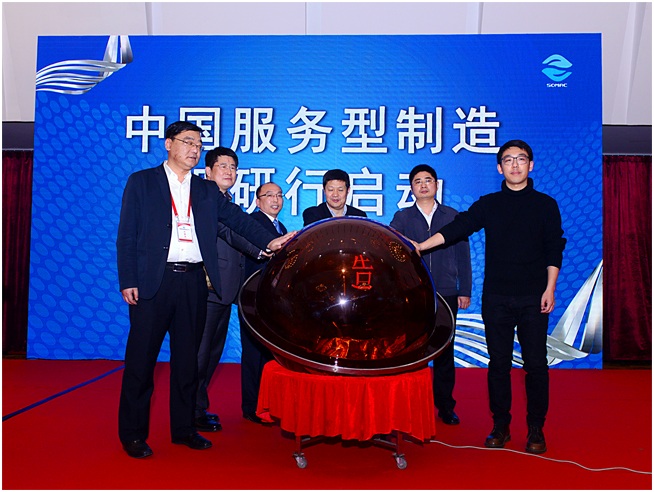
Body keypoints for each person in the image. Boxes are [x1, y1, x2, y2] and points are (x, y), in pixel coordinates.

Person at [116, 121, 292, 459]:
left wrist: (270, 241)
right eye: (188, 142)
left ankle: (184, 429)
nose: (194, 149)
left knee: (188, 362)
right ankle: (133, 434)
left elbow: (238, 221)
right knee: (141, 362)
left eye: (198, 144)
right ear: (169, 144)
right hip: (154, 282)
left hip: (194, 281)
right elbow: (127, 234)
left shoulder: (206, 190)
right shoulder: (142, 182)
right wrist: (128, 279)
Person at [415, 140, 566, 454]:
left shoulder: (545, 205)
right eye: (508, 160)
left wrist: (550, 288)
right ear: (499, 168)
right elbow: (459, 227)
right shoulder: (489, 204)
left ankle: (536, 428)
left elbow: (554, 247)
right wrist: (421, 247)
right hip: (496, 298)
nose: (515, 165)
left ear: (531, 165)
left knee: (536, 365)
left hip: (533, 297)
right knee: (498, 365)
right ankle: (500, 426)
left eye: (521, 159)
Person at [390, 164, 472, 426]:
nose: (423, 185)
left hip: (447, 291)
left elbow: (464, 256)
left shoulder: (453, 216)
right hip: (414, 294)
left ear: (436, 185)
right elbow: (392, 251)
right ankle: (414, 405)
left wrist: (465, 289)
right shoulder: (402, 218)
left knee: (445, 350)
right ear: (411, 188)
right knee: (414, 351)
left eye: (428, 180)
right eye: (417, 181)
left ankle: (445, 406)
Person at [194, 147, 262, 433]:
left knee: (212, 353)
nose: (229, 171)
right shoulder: (203, 200)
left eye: (233, 167)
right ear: (208, 171)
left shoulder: (227, 202)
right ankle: (190, 411)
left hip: (225, 291)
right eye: (223, 166)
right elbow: (230, 233)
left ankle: (197, 408)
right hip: (207, 287)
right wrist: (263, 248)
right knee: (200, 354)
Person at [238, 182, 287, 423]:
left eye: (279, 195)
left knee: (269, 354)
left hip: (272, 300)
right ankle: (251, 406)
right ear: (258, 201)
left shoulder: (280, 227)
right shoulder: (253, 223)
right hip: (253, 298)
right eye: (269, 195)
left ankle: (267, 404)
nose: (275, 199)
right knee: (253, 353)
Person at [302, 169, 367, 226]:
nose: (335, 194)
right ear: (324, 190)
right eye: (331, 190)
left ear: (348, 190)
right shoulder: (313, 214)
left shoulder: (359, 217)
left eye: (340, 190)